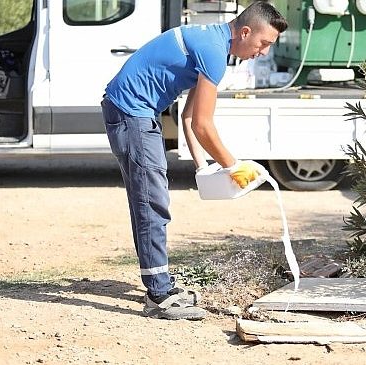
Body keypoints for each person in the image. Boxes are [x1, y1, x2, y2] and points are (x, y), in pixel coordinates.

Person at [100, 1, 288, 320]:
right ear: (245, 31)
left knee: (149, 201)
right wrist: (233, 166)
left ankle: (160, 285)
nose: (263, 52)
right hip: (132, 113)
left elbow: (188, 118)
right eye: (264, 43)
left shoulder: (212, 41)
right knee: (152, 203)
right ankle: (159, 296)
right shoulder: (214, 53)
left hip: (131, 111)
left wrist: (203, 167)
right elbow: (203, 123)